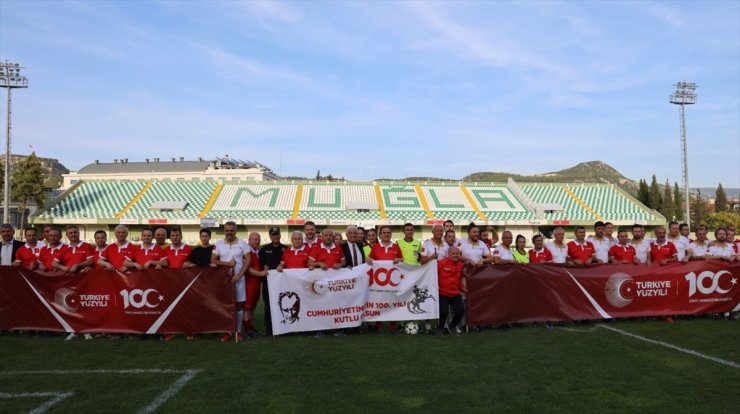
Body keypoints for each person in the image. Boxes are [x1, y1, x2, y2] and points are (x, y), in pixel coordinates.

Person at [212, 221, 250, 342]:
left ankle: (238, 332)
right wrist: (227, 264)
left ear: (235, 231)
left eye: (231, 230)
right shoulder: (218, 244)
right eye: (227, 230)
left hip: (238, 279)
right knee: (226, 305)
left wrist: (239, 275)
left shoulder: (243, 244)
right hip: (225, 280)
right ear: (224, 231)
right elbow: (213, 260)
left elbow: (248, 261)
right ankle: (228, 331)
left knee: (239, 305)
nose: (229, 232)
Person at [367, 225, 403, 335]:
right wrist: (368, 259)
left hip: (393, 281)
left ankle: (393, 327)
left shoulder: (396, 247)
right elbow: (370, 259)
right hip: (379, 282)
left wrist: (399, 259)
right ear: (380, 235)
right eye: (384, 233)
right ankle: (379, 326)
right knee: (380, 303)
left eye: (388, 232)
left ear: (391, 234)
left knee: (393, 303)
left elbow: (402, 259)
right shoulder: (376, 247)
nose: (386, 234)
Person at [260, 226, 287, 337]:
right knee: (268, 306)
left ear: (280, 235)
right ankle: (269, 330)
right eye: (273, 234)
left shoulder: (286, 249)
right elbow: (262, 264)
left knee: (283, 304)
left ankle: (284, 328)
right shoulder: (264, 249)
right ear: (270, 236)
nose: (275, 236)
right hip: (268, 283)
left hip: (283, 282)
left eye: (277, 234)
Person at [436, 246, 466, 335]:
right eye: (453, 253)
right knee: (444, 311)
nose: (455, 255)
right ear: (448, 254)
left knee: (460, 310)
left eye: (457, 253)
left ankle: (453, 325)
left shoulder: (461, 264)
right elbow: (433, 275)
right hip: (442, 293)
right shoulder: (441, 263)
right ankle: (440, 327)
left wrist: (462, 287)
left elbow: (459, 277)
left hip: (455, 293)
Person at [244, 231, 269, 338]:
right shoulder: (246, 251)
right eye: (254, 239)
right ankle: (248, 331)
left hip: (257, 284)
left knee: (253, 307)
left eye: (258, 239)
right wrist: (261, 273)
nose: (257, 241)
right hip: (248, 284)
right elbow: (247, 269)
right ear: (249, 240)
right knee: (247, 308)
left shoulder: (258, 251)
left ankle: (251, 328)